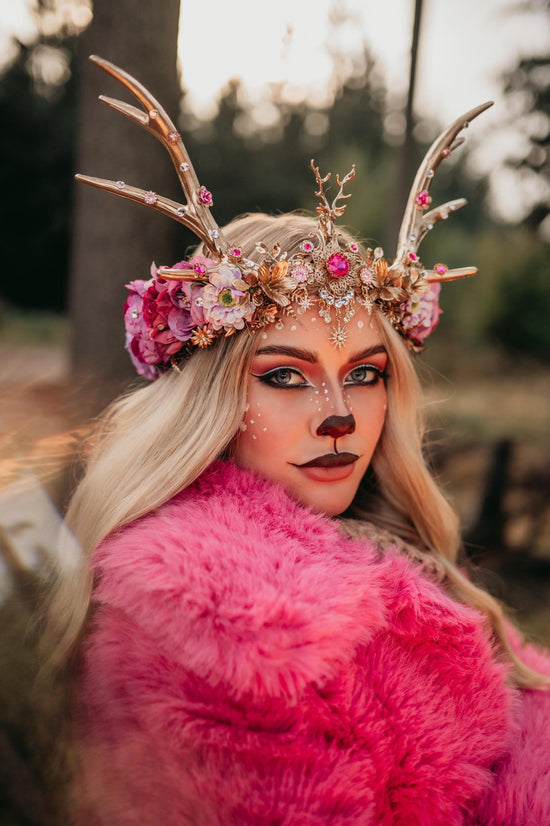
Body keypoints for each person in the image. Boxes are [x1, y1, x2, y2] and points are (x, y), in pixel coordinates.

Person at [53, 58, 550, 825]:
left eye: (365, 374)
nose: (339, 416)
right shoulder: (229, 630)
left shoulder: (384, 547)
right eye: (285, 377)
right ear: (209, 400)